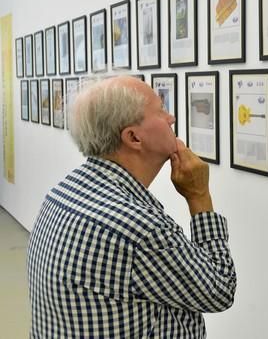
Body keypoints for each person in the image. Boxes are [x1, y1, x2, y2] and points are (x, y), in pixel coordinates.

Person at [27, 76, 236, 338]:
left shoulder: (61, 193)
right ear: (134, 137)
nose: (170, 118)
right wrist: (199, 197)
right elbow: (219, 290)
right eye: (160, 110)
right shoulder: (139, 229)